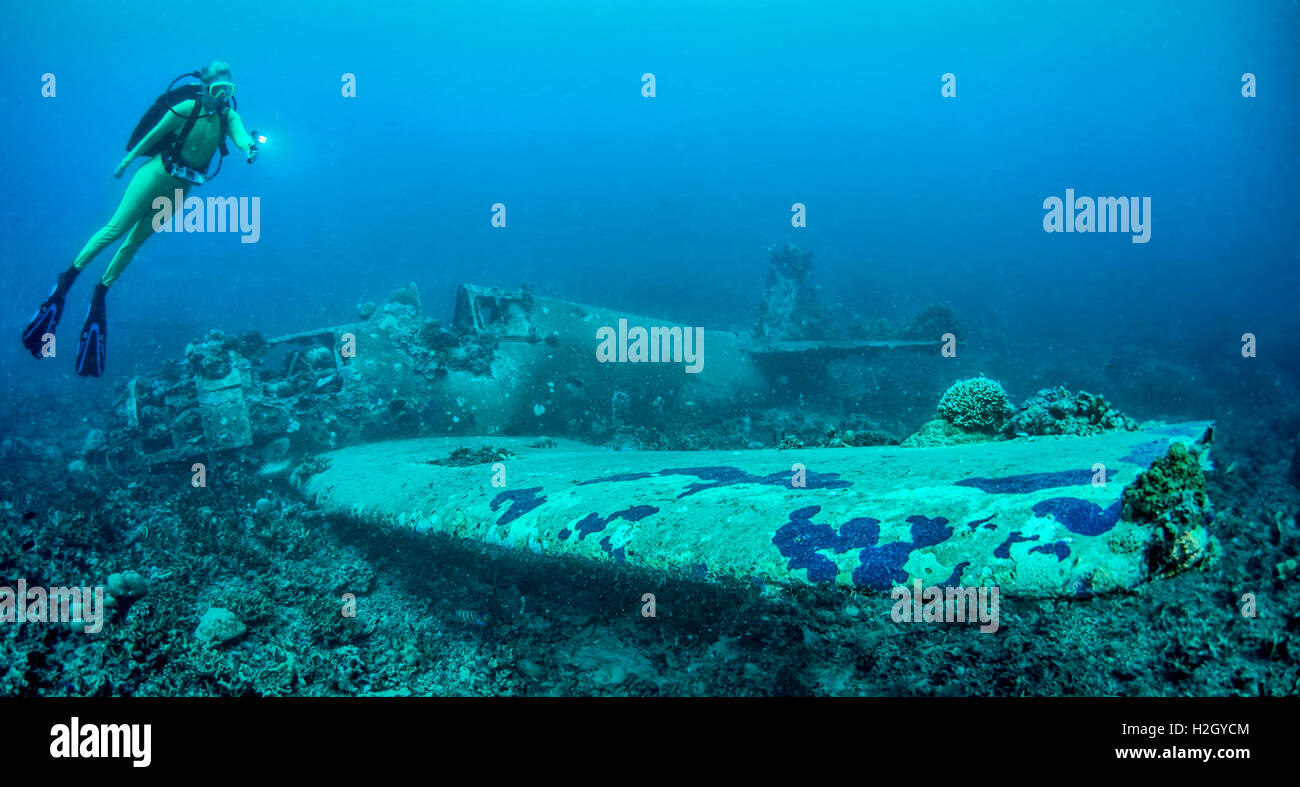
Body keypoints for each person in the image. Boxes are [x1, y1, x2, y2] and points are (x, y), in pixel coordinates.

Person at [20, 60, 260, 377]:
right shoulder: (188, 106)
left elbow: (241, 135)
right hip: (156, 174)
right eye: (218, 89)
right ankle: (66, 281)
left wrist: (250, 148)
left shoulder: (229, 116)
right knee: (116, 229)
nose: (223, 96)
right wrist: (126, 161)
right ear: (206, 87)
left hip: (181, 187)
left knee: (135, 242)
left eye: (228, 89)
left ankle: (100, 294)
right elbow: (152, 135)